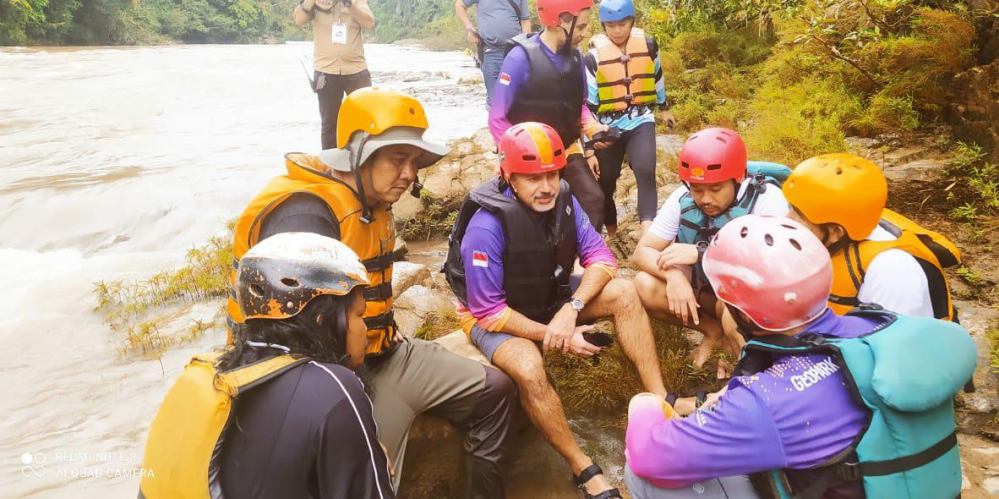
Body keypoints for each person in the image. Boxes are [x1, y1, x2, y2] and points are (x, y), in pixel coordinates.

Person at [226, 87, 516, 499]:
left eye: (415, 161)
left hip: (383, 354)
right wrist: (354, 414)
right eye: (398, 158)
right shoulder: (306, 215)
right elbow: (292, 346)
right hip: (325, 378)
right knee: (366, 472)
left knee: (495, 392)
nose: (409, 173)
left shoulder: (371, 198)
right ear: (358, 153)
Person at [625, 214, 975, 499]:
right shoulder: (877, 324)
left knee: (642, 476)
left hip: (790, 432)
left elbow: (648, 457)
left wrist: (646, 404)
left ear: (742, 312)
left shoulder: (765, 401)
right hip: (913, 483)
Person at [444, 122, 669, 499]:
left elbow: (603, 259)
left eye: (552, 174)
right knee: (529, 367)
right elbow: (490, 313)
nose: (546, 186)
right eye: (533, 178)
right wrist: (557, 335)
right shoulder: (485, 226)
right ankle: (582, 465)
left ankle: (660, 400)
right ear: (509, 176)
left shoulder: (564, 199)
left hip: (551, 295)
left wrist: (571, 310)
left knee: (625, 292)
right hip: (496, 315)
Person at [140, 233, 395, 499]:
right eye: (359, 315)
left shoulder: (214, 373)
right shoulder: (335, 389)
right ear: (323, 320)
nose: (365, 329)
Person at [632, 128, 789, 373]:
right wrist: (673, 276)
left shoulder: (767, 198)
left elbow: (776, 262)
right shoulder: (682, 197)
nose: (705, 198)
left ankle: (751, 369)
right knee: (645, 284)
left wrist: (703, 253)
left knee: (729, 312)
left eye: (716, 189)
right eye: (697, 189)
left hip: (751, 299)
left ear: (738, 178)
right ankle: (713, 332)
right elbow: (643, 251)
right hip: (707, 292)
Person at [783, 153, 961, 321]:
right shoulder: (844, 225)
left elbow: (893, 340)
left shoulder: (892, 272)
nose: (787, 218)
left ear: (836, 232)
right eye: (791, 208)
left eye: (798, 215)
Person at [488, 0, 609, 232]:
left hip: (565, 150)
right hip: (527, 156)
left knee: (593, 200)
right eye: (581, 27)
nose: (584, 33)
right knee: (533, 213)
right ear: (558, 21)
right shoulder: (519, 59)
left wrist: (594, 128)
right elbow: (498, 117)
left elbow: (579, 105)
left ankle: (581, 252)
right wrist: (508, 157)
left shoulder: (577, 58)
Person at [584, 0, 674, 237]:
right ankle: (613, 234)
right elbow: (587, 105)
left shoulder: (648, 45)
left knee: (645, 170)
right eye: (611, 25)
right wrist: (589, 144)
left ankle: (647, 232)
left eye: (622, 24)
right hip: (606, 127)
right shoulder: (593, 57)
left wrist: (664, 108)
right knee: (606, 182)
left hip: (640, 119)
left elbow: (657, 76)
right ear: (603, 26)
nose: (617, 30)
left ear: (632, 22)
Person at [293, 0, 375, 149]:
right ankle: (330, 162)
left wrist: (349, 4)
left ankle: (362, 159)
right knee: (329, 124)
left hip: (356, 70)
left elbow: (369, 22)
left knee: (364, 122)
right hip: (326, 71)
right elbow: (298, 19)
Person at [454, 0, 531, 105]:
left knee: (516, 97)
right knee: (494, 99)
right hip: (490, 52)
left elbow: (525, 21)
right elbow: (460, 5)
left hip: (515, 52)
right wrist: (469, 28)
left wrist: (525, 49)